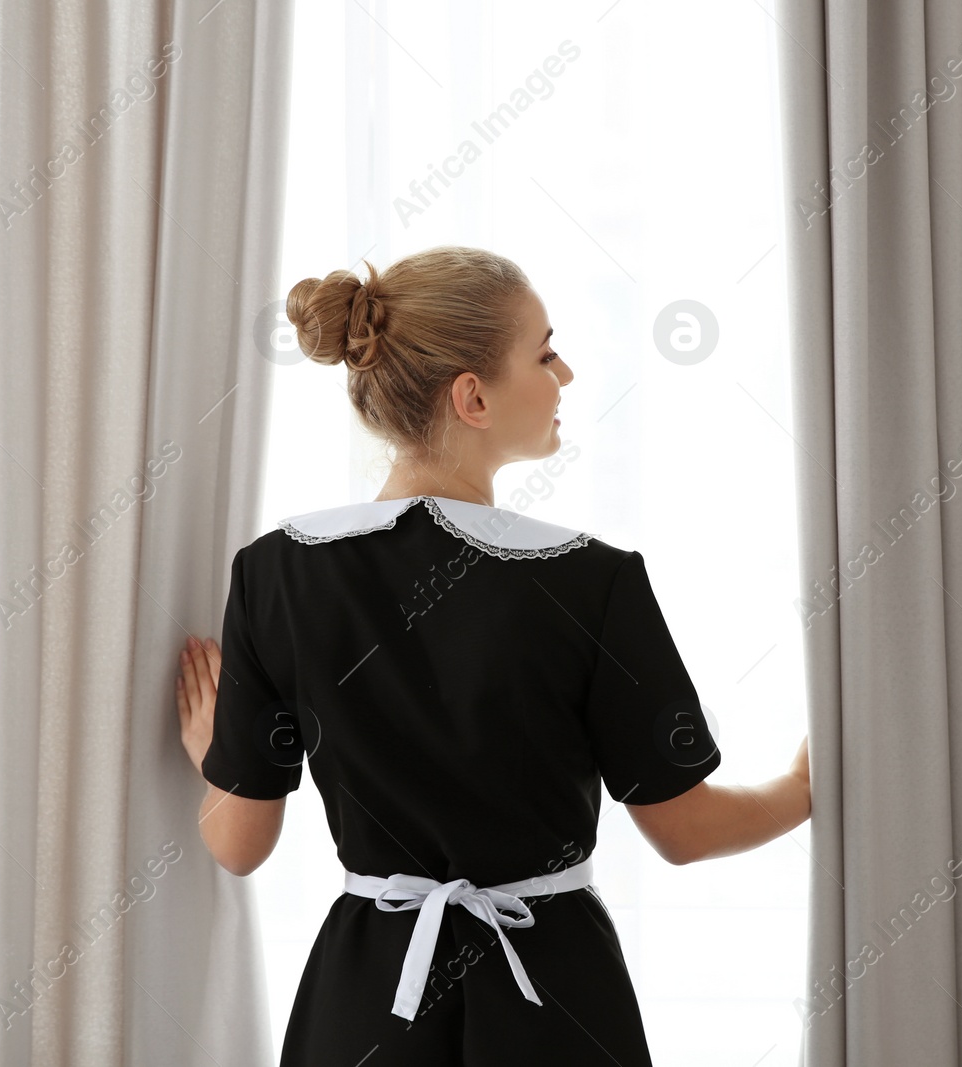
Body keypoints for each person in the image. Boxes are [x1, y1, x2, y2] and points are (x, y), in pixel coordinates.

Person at [174, 246, 811, 1065]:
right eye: (544, 352)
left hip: (365, 1007)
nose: (567, 373)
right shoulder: (591, 580)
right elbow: (684, 829)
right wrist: (803, 788)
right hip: (555, 1001)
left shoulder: (274, 572)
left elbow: (238, 843)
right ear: (472, 396)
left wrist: (218, 757)